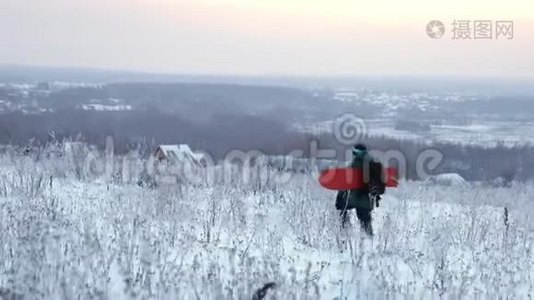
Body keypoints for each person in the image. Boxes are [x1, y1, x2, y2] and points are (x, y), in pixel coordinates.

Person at [335, 143, 383, 236]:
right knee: (366, 224)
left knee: (342, 215)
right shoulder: (373, 164)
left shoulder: (354, 164)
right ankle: (369, 243)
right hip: (367, 200)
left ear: (355, 153)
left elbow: (344, 184)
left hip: (353, 198)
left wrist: (339, 201)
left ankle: (344, 237)